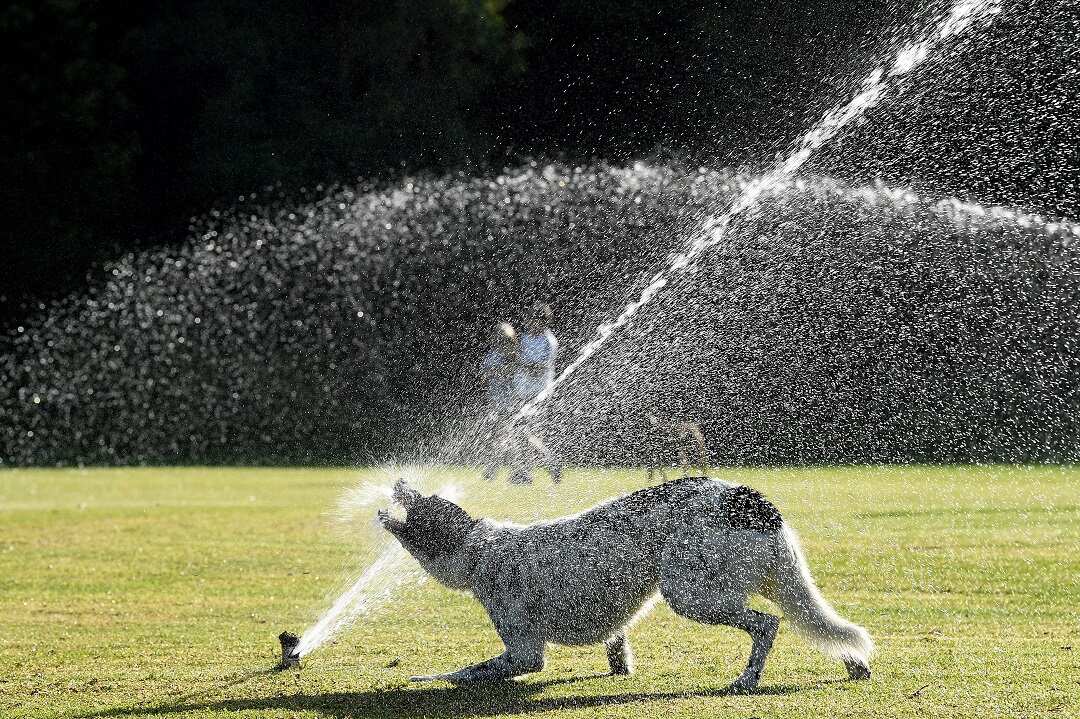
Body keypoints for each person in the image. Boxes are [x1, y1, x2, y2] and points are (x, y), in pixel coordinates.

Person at [510, 303, 561, 484]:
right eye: (529, 320)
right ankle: (530, 471)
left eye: (534, 320)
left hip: (537, 395)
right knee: (522, 434)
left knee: (522, 432)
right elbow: (514, 358)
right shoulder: (523, 339)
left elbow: (540, 368)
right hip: (521, 393)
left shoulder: (549, 341)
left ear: (543, 322)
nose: (530, 324)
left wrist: (523, 364)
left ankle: (542, 466)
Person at [479, 322, 518, 481]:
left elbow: (514, 374)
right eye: (498, 339)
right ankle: (494, 469)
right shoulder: (491, 356)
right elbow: (483, 378)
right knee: (498, 438)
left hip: (510, 405)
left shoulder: (515, 356)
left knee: (507, 438)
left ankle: (511, 470)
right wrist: (490, 373)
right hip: (495, 403)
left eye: (505, 340)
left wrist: (497, 371)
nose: (501, 343)